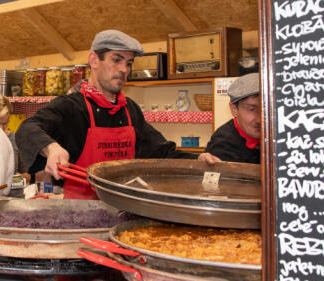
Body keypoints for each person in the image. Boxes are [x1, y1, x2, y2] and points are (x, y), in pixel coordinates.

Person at [16, 30, 196, 199]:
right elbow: (27, 129)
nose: (124, 69)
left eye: (128, 63)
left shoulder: (130, 110)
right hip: (81, 216)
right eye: (116, 60)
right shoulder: (71, 107)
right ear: (94, 60)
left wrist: (197, 162)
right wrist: (52, 148)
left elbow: (161, 152)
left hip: (124, 210)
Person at [200, 73, 261, 164]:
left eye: (266, 109)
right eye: (252, 109)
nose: (260, 119)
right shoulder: (223, 145)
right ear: (234, 109)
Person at [0, 95, 19, 173]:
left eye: (5, 123)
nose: (1, 128)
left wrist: (20, 177)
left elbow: (27, 174)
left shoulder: (14, 138)